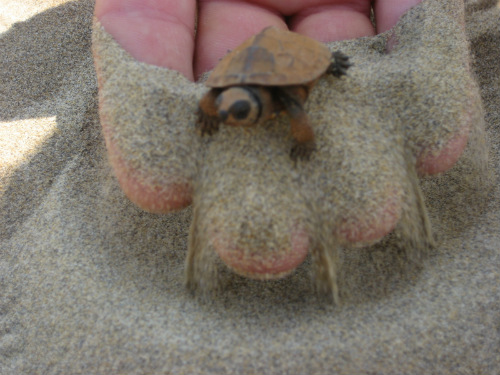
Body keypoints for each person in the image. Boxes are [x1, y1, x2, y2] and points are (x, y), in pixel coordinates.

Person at [93, 0, 469, 278]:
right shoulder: (225, 95)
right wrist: (211, 113)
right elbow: (213, 96)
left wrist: (302, 139)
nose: (229, 116)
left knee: (327, 66)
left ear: (260, 106)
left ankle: (333, 60)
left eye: (236, 113)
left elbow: (298, 114)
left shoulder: (284, 97)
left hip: (293, 61)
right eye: (228, 111)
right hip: (250, 60)